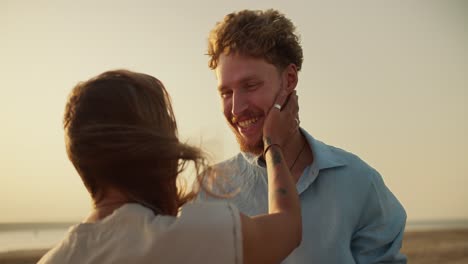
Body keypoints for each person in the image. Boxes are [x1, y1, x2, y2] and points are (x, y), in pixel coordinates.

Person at [198, 9, 407, 263]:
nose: (236, 108)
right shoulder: (210, 190)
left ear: (289, 79)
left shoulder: (360, 182)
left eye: (250, 86)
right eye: (226, 92)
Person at [38, 69, 302, 264]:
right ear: (155, 148)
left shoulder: (53, 259)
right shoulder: (188, 236)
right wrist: (273, 144)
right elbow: (288, 226)